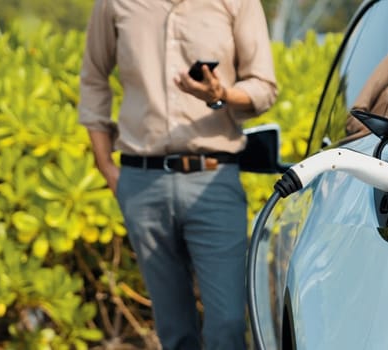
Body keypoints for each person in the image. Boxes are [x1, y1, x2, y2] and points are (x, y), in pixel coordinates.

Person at [77, 0, 278, 349]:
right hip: (141, 184)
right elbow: (94, 77)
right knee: (174, 328)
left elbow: (263, 85)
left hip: (214, 181)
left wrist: (221, 94)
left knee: (228, 323)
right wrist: (105, 166)